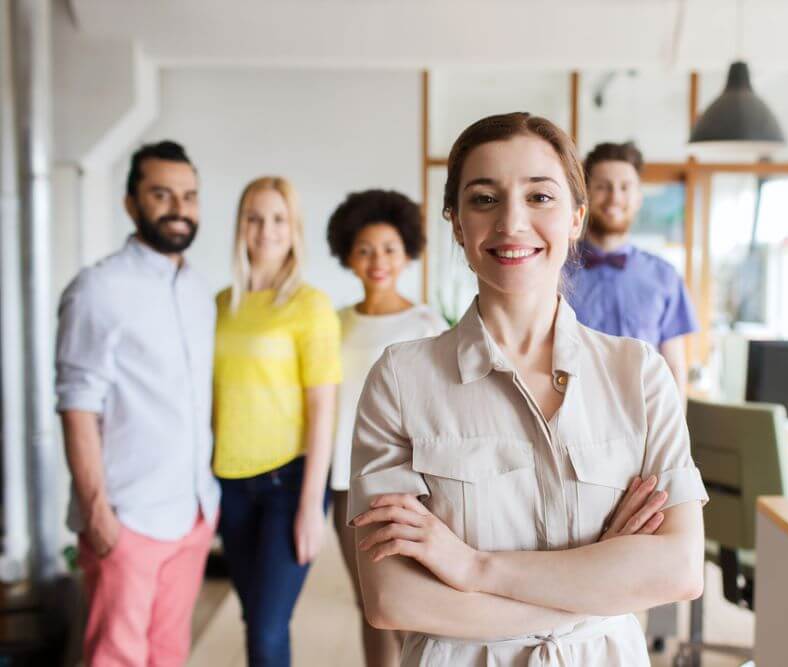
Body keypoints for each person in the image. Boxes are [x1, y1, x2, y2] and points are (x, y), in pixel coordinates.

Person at [348, 113, 708, 666]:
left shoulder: (639, 375)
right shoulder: (400, 380)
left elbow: (679, 570)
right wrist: (602, 581)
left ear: (575, 220)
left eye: (540, 197)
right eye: (485, 199)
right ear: (457, 224)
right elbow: (394, 600)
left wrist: (472, 568)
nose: (512, 223)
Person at [56, 140, 219, 666]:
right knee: (115, 656)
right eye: (162, 194)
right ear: (131, 204)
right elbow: (76, 404)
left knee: (169, 653)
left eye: (189, 196)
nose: (179, 208)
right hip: (127, 517)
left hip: (193, 511)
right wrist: (97, 511)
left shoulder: (199, 291)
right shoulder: (97, 289)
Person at [212, 176, 341, 666]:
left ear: (294, 229)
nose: (266, 230)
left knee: (267, 629)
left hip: (287, 484)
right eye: (255, 217)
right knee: (256, 621)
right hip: (229, 483)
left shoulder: (310, 306)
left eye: (278, 218)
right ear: (241, 227)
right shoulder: (223, 305)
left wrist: (310, 506)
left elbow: (322, 410)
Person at [326, 188, 449, 666]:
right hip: (343, 481)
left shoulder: (426, 323)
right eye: (365, 250)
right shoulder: (333, 323)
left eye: (389, 249)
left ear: (407, 254)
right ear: (348, 257)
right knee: (369, 602)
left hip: (404, 482)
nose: (378, 261)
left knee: (409, 604)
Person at [565, 141, 698, 400]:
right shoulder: (553, 271)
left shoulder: (665, 277)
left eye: (625, 187)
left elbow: (673, 367)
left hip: (645, 422)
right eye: (603, 186)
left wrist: (677, 437)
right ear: (585, 195)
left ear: (638, 197)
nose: (615, 197)